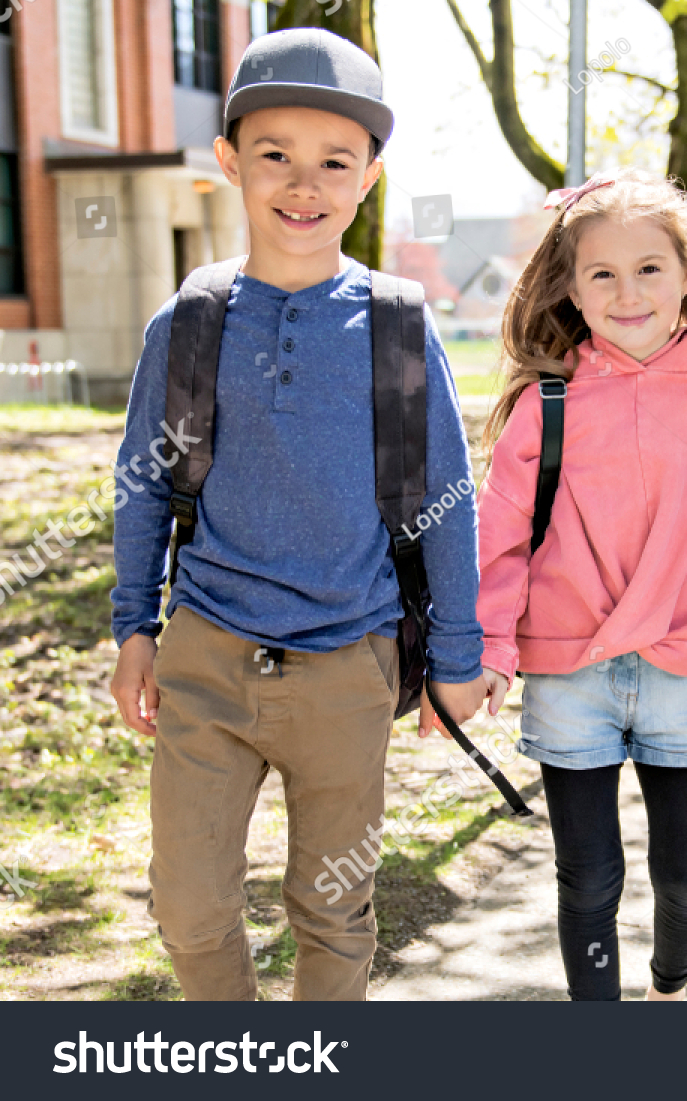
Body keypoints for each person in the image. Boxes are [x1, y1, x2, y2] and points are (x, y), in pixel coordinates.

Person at [108, 29, 487, 1000]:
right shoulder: (191, 319)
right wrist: (132, 628)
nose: (303, 183)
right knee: (189, 906)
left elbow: (448, 500)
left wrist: (458, 656)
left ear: (367, 179)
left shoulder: (397, 326)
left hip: (348, 669)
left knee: (334, 913)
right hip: (206, 659)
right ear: (230, 160)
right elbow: (144, 484)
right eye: (275, 154)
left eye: (334, 162)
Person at [474, 170, 687, 1001]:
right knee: (587, 880)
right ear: (571, 285)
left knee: (685, 877)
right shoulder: (545, 405)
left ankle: (670, 987)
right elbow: (497, 541)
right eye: (602, 273)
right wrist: (485, 646)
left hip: (682, 674)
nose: (627, 292)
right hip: (568, 676)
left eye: (649, 269)